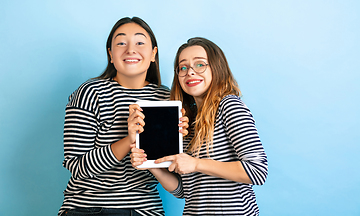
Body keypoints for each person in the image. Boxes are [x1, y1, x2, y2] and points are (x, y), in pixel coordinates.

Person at [58, 17, 188, 216]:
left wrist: (179, 143)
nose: (130, 50)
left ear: (153, 53)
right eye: (121, 43)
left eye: (140, 43)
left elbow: (180, 187)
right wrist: (130, 140)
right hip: (90, 208)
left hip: (145, 209)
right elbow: (77, 166)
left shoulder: (167, 99)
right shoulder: (90, 93)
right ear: (111, 54)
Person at [130, 37, 268, 215]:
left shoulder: (229, 106)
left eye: (200, 64)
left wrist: (196, 164)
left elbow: (257, 171)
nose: (190, 72)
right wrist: (150, 164)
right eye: (183, 67)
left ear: (217, 68)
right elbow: (184, 191)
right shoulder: (187, 121)